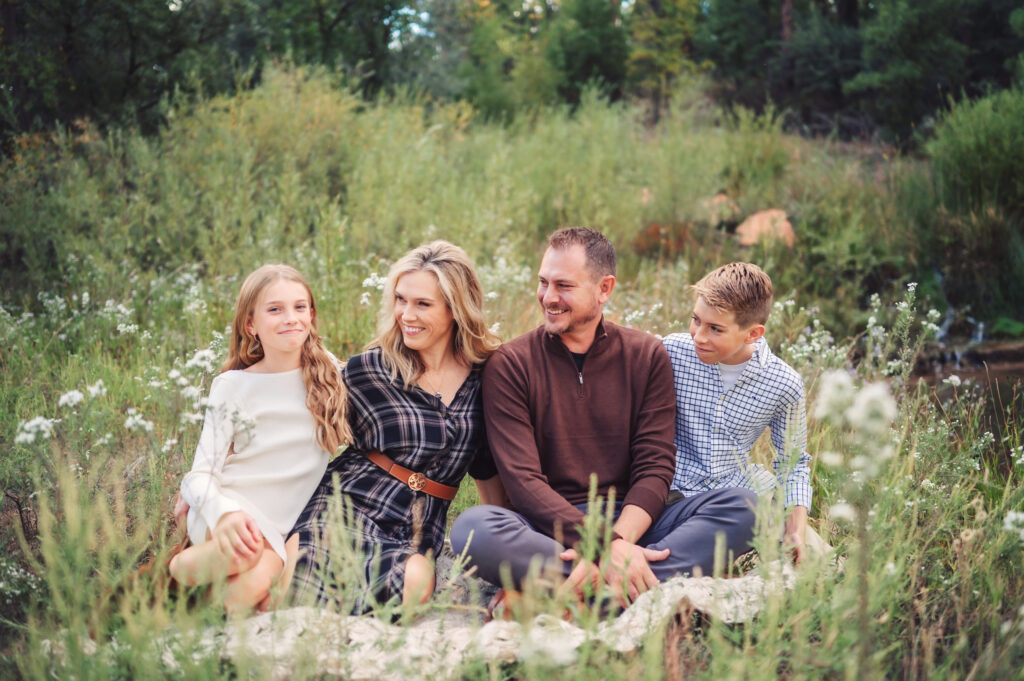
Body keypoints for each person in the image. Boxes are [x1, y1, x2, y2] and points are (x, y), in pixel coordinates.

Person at [450, 228, 757, 607]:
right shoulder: (510, 364)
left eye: (564, 285)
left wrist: (621, 542)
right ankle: (631, 586)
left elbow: (655, 465)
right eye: (543, 282)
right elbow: (523, 483)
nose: (548, 297)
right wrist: (603, 546)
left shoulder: (646, 355)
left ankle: (582, 590)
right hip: (549, 531)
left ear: (604, 288)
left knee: (747, 507)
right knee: (472, 529)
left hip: (635, 524)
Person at [286, 241, 504, 609]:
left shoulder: (488, 378)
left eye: (422, 304)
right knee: (304, 590)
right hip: (348, 506)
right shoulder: (369, 369)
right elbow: (293, 427)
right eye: (401, 300)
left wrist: (504, 563)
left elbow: (487, 470)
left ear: (456, 309)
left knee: (411, 588)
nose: (406, 314)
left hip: (419, 528)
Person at [169, 264, 349, 614]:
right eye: (275, 309)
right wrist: (224, 515)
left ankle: (194, 612)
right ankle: (174, 568)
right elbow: (200, 475)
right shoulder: (234, 385)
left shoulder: (330, 374)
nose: (291, 318)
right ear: (251, 324)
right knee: (249, 553)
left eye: (300, 307)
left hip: (277, 528)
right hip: (229, 509)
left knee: (257, 595)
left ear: (311, 315)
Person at [661, 262, 812, 562]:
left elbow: (793, 464)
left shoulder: (784, 384)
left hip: (730, 495)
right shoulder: (671, 352)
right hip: (668, 488)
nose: (699, 336)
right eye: (696, 320)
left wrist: (796, 529)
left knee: (752, 515)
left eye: (715, 329)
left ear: (753, 333)